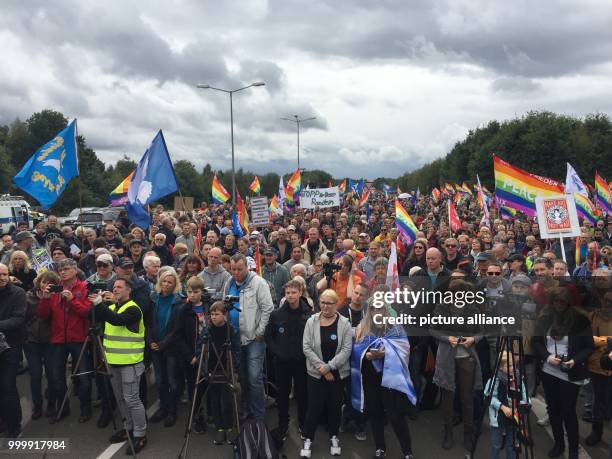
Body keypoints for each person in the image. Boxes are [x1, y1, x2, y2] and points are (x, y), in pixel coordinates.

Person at [532, 287, 595, 459]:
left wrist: (574, 360)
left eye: (562, 302)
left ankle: (573, 448)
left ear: (568, 302)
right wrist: (547, 357)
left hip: (570, 372)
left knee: (568, 410)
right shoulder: (545, 318)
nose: (559, 305)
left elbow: (589, 346)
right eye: (556, 301)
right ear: (551, 302)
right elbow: (536, 342)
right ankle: (559, 443)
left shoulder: (579, 320)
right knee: (553, 409)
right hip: (549, 370)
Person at [90, 277, 147, 455]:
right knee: (120, 398)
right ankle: (128, 427)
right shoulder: (113, 307)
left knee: (132, 399)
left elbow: (116, 320)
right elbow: (96, 317)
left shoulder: (133, 309)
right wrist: (96, 304)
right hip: (113, 362)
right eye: (114, 287)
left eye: (120, 287)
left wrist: (100, 304)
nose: (115, 290)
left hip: (130, 362)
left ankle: (140, 433)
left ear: (129, 290)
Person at [352, 302, 416, 459]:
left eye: (380, 308)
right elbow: (356, 350)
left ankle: (407, 451)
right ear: (370, 310)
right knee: (375, 414)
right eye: (373, 308)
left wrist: (384, 353)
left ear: (385, 309)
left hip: (390, 379)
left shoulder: (395, 327)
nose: (376, 311)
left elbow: (404, 348)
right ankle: (380, 448)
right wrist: (367, 355)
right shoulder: (362, 327)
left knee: (396, 416)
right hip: (370, 378)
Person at [430, 279, 484, 456]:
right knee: (448, 396)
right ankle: (448, 432)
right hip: (447, 356)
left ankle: (468, 433)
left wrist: (473, 339)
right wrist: (447, 338)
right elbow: (433, 330)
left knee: (467, 397)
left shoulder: (473, 309)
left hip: (466, 357)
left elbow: (481, 330)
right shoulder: (442, 307)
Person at [38, 258, 93, 423]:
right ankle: (63, 407)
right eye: (60, 269)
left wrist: (72, 300)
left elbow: (87, 312)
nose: (63, 272)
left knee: (83, 376)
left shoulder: (84, 287)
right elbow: (43, 315)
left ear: (75, 270)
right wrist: (46, 298)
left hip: (79, 338)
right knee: (56, 376)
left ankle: (85, 408)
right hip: (58, 338)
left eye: (67, 269)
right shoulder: (54, 289)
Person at [300, 289, 352, 458]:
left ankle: (334, 436)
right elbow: (306, 347)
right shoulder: (311, 321)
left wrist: (329, 367)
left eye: (329, 303)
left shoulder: (344, 323)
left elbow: (346, 349)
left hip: (337, 373)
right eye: (322, 302)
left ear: (336, 304)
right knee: (314, 407)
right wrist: (322, 369)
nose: (325, 306)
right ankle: (308, 438)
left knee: (334, 406)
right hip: (315, 373)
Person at [222, 253, 274, 420]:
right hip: (235, 338)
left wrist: (260, 332)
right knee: (242, 377)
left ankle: (258, 415)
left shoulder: (259, 283)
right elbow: (224, 304)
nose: (235, 272)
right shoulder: (229, 282)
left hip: (254, 339)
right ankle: (246, 409)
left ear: (247, 267)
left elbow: (268, 308)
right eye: (233, 269)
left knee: (254, 377)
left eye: (239, 269)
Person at [265, 279, 313, 444]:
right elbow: (269, 336)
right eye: (288, 293)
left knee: (302, 394)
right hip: (283, 362)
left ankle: (302, 424)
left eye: (294, 292)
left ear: (300, 293)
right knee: (283, 395)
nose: (291, 296)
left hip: (302, 362)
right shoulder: (277, 314)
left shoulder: (309, 314)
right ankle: (282, 425)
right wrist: (277, 352)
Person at [191, 300, 240, 444]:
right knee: (214, 400)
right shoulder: (207, 331)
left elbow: (237, 350)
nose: (213, 317)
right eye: (211, 314)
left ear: (224, 315)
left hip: (226, 370)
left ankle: (229, 427)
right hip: (211, 370)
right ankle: (219, 428)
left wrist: (235, 369)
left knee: (226, 400)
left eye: (217, 314)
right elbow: (200, 347)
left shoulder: (231, 330)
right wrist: (199, 359)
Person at [147, 268, 186, 427]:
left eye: (170, 282)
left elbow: (178, 329)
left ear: (175, 284)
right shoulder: (153, 299)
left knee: (172, 381)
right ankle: (163, 407)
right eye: (164, 281)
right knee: (161, 380)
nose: (166, 284)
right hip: (155, 346)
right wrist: (150, 342)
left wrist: (163, 344)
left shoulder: (179, 302)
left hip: (170, 348)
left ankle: (172, 410)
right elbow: (148, 323)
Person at [24, 271, 58, 420]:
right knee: (35, 375)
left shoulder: (57, 297)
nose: (46, 285)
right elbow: (22, 316)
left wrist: (48, 299)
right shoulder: (28, 296)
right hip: (31, 342)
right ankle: (37, 406)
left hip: (50, 341)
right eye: (44, 282)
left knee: (51, 374)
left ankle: (51, 403)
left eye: (50, 283)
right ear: (39, 283)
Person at [484, 351, 529, 459]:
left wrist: (525, 404)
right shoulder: (495, 380)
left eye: (514, 364)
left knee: (512, 444)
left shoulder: (517, 378)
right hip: (498, 417)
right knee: (496, 444)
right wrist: (502, 407)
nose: (512, 367)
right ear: (500, 367)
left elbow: (524, 394)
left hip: (514, 417)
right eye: (508, 365)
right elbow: (488, 396)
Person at [0, 263, 27, 437]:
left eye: (5, 274)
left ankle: (14, 426)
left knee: (8, 387)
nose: (2, 278)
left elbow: (18, 319)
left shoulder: (18, 293)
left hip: (11, 346)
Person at [585, 291, 612, 446]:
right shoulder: (593, 317)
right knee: (598, 401)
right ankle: (597, 432)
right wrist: (608, 342)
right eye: (605, 300)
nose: (607, 303)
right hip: (597, 366)